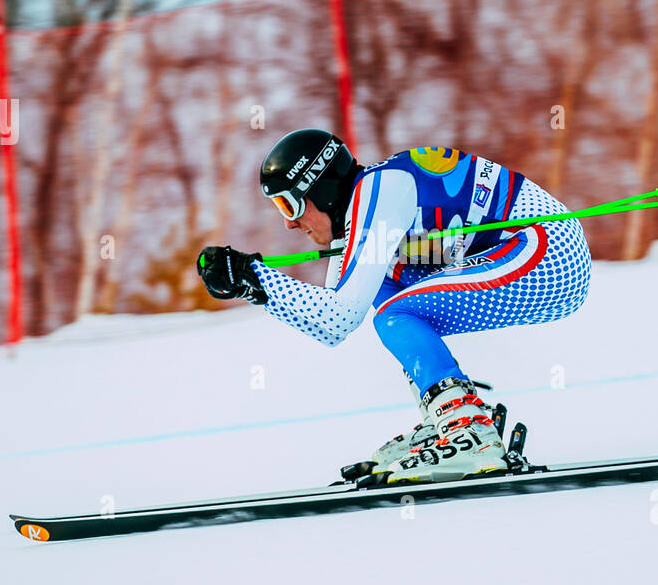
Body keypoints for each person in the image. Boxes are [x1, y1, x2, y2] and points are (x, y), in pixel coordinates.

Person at [197, 128, 591, 485]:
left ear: (319, 190)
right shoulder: (364, 208)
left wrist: (254, 276)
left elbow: (338, 315)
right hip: (538, 253)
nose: (289, 224)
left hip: (550, 250)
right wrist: (251, 285)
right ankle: (450, 417)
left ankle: (466, 424)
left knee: (395, 312)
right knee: (385, 288)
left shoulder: (379, 190)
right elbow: (332, 321)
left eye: (289, 205)